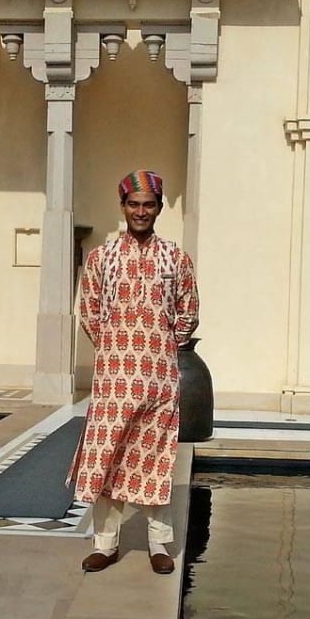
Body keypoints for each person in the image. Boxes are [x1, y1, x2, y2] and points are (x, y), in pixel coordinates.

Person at [67, 169, 199, 575]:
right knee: (107, 457)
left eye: (149, 205)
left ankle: (160, 543)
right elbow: (88, 310)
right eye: (134, 204)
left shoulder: (175, 257)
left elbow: (189, 310)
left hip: (159, 378)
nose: (141, 211)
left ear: (159, 208)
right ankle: (105, 544)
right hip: (113, 379)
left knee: (156, 457)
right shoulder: (101, 258)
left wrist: (159, 345)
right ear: (122, 206)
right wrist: (115, 346)